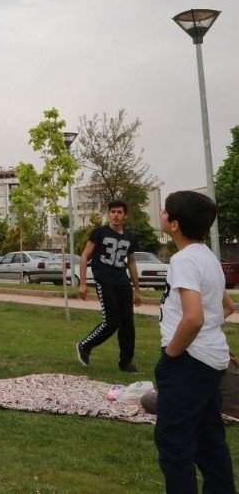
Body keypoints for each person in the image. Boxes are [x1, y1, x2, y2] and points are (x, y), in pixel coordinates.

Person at [154, 191, 235, 492]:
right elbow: (226, 307)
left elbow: (194, 318)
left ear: (174, 224)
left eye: (165, 212)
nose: (161, 215)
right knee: (209, 440)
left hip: (188, 361)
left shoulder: (184, 260)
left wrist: (171, 355)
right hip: (212, 360)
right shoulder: (207, 257)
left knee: (174, 444)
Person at [75, 200, 142, 372]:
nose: (116, 215)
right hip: (105, 281)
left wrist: (137, 289)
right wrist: (83, 283)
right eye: (113, 212)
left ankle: (126, 362)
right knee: (111, 322)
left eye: (119, 212)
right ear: (109, 214)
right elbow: (84, 256)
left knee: (128, 324)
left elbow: (132, 263)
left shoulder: (130, 237)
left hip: (123, 283)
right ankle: (84, 345)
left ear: (125, 216)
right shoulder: (99, 232)